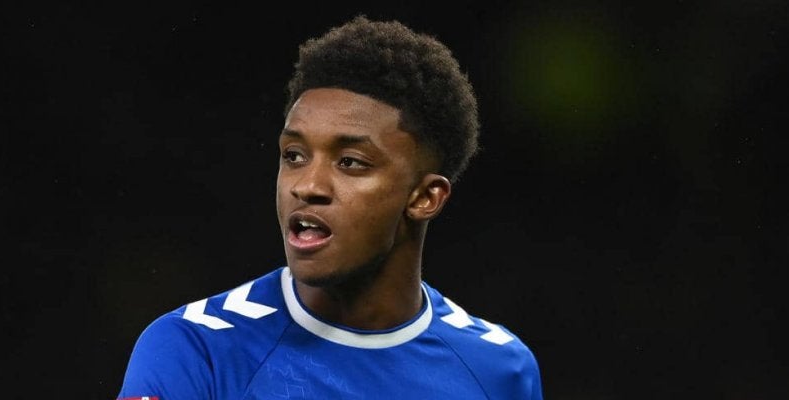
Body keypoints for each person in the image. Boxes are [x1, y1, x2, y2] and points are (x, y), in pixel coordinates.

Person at [116, 15, 542, 399]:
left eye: (350, 162)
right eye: (294, 155)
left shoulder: (499, 371)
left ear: (424, 197)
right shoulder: (196, 347)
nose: (308, 185)